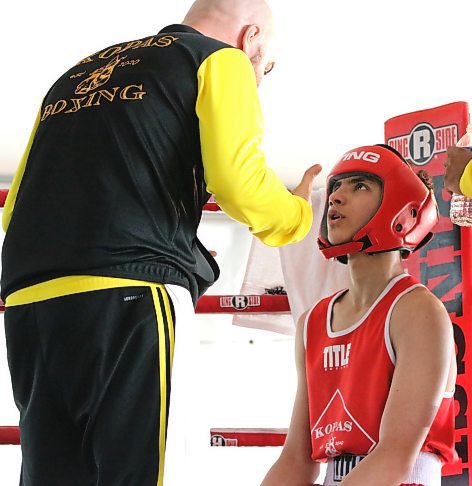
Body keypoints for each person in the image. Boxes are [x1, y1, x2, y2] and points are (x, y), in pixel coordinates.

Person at [0, 1, 321, 484]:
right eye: (266, 66)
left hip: (31, 306)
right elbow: (240, 184)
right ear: (251, 38)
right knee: (146, 473)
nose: (260, 78)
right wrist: (297, 215)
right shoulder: (219, 59)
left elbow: (13, 207)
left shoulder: (77, 74)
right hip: (130, 295)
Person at [262, 145, 457, 486]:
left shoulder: (416, 311)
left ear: (401, 208)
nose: (336, 197)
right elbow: (296, 459)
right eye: (337, 186)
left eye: (360, 186)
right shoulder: (313, 322)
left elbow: (394, 457)